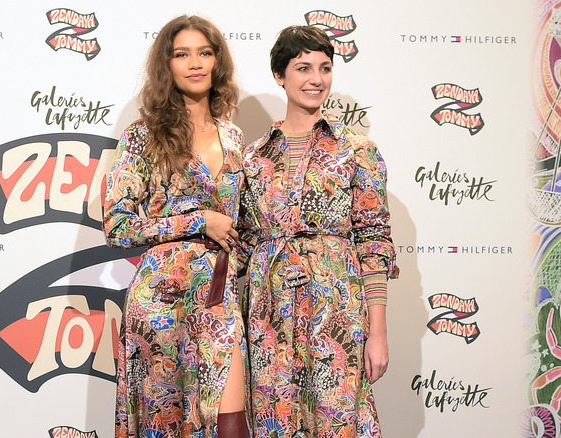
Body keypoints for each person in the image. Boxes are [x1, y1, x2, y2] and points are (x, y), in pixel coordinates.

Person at [238, 25, 398, 437]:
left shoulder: (357, 149)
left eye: (325, 68)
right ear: (280, 75)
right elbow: (243, 243)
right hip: (267, 314)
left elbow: (374, 241)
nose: (316, 79)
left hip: (336, 312)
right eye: (303, 67)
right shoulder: (252, 157)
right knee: (275, 418)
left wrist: (376, 333)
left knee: (337, 420)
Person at [103, 15, 249, 438]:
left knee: (229, 423)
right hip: (162, 299)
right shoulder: (142, 137)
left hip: (221, 294)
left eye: (204, 52)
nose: (195, 63)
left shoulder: (236, 137)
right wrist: (199, 220)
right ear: (166, 66)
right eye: (181, 54)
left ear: (217, 61)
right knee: (164, 424)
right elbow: (118, 226)